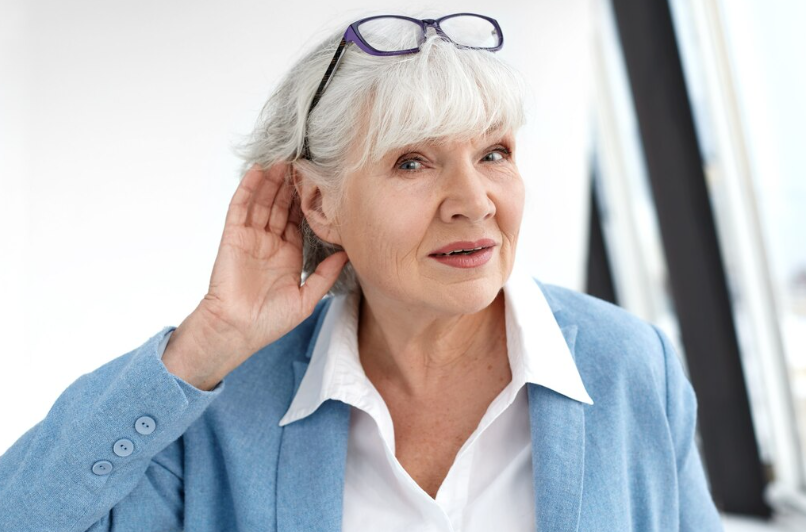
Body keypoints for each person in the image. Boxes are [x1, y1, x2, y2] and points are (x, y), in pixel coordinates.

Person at [0, 12, 723, 532]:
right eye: (413, 161)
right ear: (319, 204)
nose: (473, 203)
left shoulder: (632, 365)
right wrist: (204, 343)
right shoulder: (222, 401)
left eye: (494, 154)